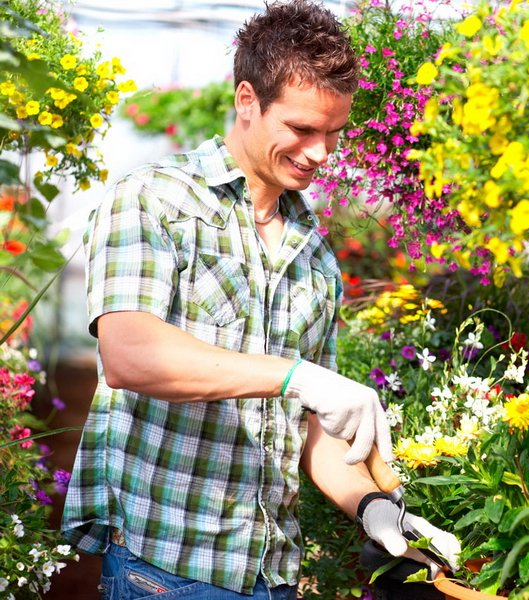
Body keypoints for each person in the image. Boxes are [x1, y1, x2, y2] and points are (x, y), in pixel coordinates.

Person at [61, 1, 460, 598]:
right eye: (302, 129)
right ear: (247, 100)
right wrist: (298, 376)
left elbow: (312, 428)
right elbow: (130, 354)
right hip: (169, 572)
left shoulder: (314, 252)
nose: (320, 152)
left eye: (333, 132)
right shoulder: (154, 200)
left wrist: (372, 505)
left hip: (273, 575)